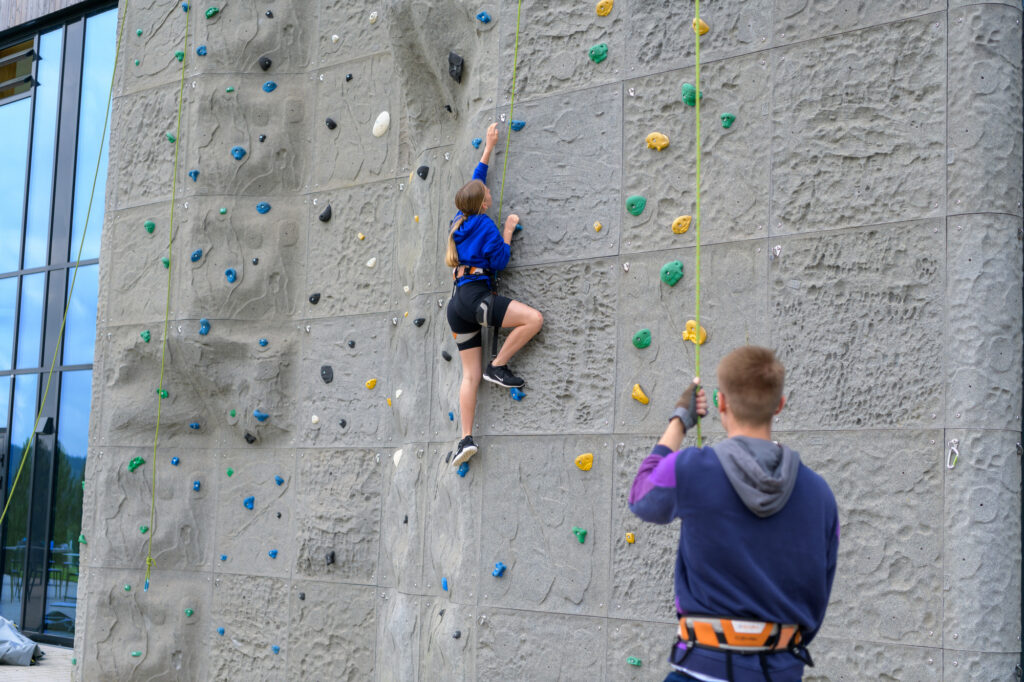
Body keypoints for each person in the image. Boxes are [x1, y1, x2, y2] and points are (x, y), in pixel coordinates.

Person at [629, 346, 838, 682]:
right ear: (779, 406)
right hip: (781, 670)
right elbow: (819, 591)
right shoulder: (820, 493)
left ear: (721, 403)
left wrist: (679, 419)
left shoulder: (691, 469)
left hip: (701, 669)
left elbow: (642, 497)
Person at [445, 122, 543, 467]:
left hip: (456, 306)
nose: (490, 194)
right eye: (487, 195)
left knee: (467, 375)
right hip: (477, 299)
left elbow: (477, 178)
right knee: (533, 320)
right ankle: (498, 366)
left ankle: (464, 439)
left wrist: (488, 147)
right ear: (483, 204)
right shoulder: (486, 224)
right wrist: (508, 230)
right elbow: (500, 260)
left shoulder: (458, 220)